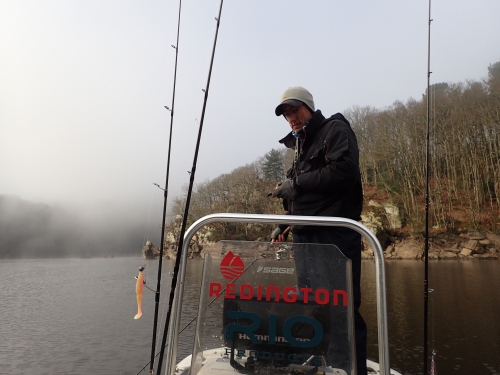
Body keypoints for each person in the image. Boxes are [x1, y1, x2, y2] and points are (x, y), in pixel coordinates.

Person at [269, 86, 367, 375]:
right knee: (313, 307)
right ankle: (324, 365)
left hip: (333, 238)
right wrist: (284, 224)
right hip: (304, 238)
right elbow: (304, 196)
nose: (291, 118)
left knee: (341, 309)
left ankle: (350, 369)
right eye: (286, 114)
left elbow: (344, 171)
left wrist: (295, 185)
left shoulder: (334, 129)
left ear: (308, 107)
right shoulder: (300, 146)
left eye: (295, 110)